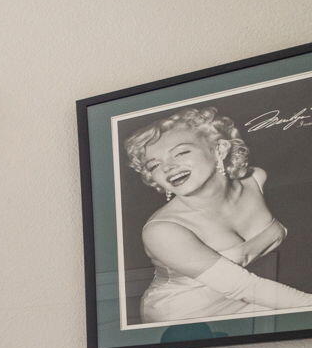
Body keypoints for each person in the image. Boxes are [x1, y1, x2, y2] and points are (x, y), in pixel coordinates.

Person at [125, 105, 311, 324]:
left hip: (260, 296)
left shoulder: (257, 180)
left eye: (181, 152)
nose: (167, 167)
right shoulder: (161, 231)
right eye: (154, 165)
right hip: (186, 317)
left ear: (219, 150)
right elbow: (244, 287)